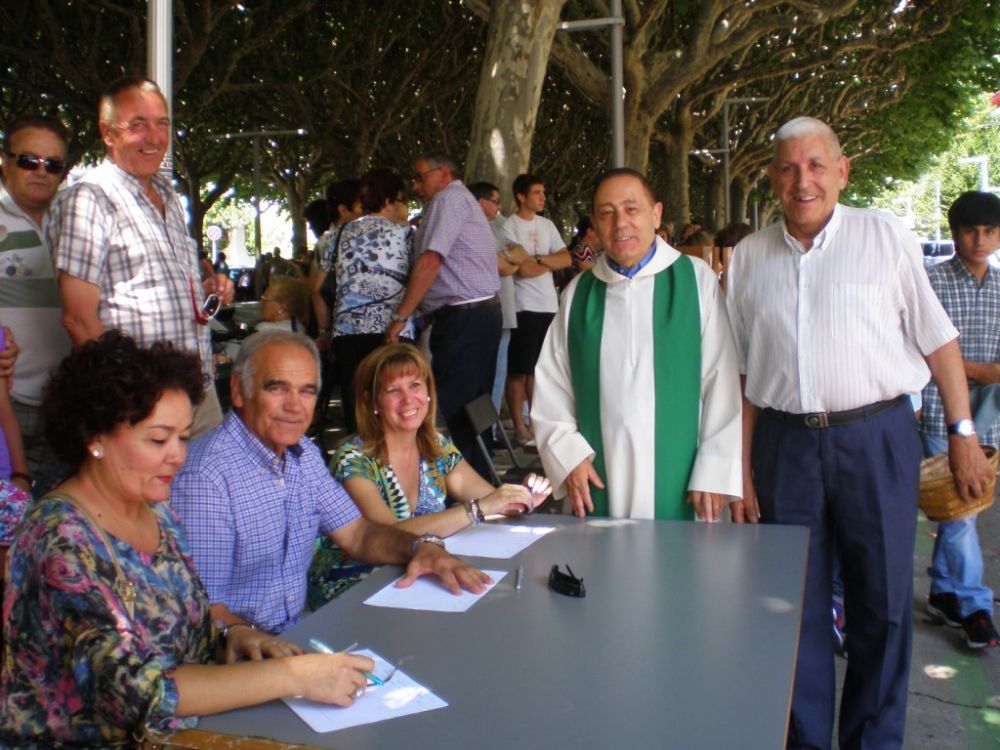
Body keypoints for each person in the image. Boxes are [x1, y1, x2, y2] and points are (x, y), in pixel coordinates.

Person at [726, 116, 992, 750]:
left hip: (878, 438)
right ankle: (808, 740)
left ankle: (874, 741)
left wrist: (961, 432)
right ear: (771, 178)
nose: (803, 180)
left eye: (816, 165)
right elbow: (739, 376)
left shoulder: (884, 235)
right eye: (789, 168)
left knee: (885, 606)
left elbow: (938, 339)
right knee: (792, 611)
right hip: (784, 447)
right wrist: (738, 470)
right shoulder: (748, 258)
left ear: (842, 171)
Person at [0, 332, 376, 748]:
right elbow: (137, 695)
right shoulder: (60, 537)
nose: (178, 455)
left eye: (182, 437)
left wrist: (234, 634)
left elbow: (192, 621)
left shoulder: (155, 509)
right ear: (94, 437)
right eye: (158, 439)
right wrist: (294, 676)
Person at [170, 329, 491, 635]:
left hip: (301, 628)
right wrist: (260, 646)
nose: (295, 406)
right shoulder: (206, 478)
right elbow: (204, 609)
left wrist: (422, 547)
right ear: (239, 391)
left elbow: (359, 534)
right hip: (244, 655)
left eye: (307, 391)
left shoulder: (303, 455)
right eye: (277, 388)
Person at [531, 168, 742, 521]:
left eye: (632, 209)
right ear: (595, 225)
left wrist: (715, 469)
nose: (620, 224)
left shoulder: (694, 281)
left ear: (656, 214)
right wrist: (568, 456)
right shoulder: (579, 295)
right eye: (606, 213)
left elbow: (721, 379)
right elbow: (552, 386)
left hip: (684, 479)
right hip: (600, 475)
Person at [308, 343, 549, 605]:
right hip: (356, 582)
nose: (408, 399)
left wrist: (523, 498)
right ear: (371, 401)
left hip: (422, 572)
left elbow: (492, 500)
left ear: (429, 393)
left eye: (415, 385)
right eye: (393, 391)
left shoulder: (435, 445)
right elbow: (389, 536)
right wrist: (476, 510)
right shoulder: (353, 460)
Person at [50, 77, 222, 438]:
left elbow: (157, 288)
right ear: (108, 132)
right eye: (138, 125)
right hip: (142, 403)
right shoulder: (91, 197)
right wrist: (130, 399)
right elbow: (78, 319)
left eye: (162, 123)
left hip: (199, 393)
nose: (155, 137)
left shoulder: (168, 195)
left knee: (203, 496)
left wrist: (208, 291)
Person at [385, 152, 501, 481]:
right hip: (479, 314)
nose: (415, 185)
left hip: (466, 317)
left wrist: (401, 315)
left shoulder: (448, 201)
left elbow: (431, 261)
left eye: (420, 177)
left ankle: (471, 487)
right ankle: (482, 481)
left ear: (444, 174)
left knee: (452, 407)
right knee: (470, 408)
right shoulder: (457, 200)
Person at [919, 191, 1000, 649]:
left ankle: (943, 592)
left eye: (989, 230)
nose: (980, 239)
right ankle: (974, 605)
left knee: (958, 512)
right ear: (954, 234)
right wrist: (981, 371)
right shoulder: (933, 282)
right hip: (938, 414)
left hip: (988, 419)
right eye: (971, 230)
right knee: (962, 511)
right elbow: (924, 351)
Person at [0, 115, 73, 493]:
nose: (41, 171)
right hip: (7, 406)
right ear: (4, 161)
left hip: (66, 401)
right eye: (29, 160)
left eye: (53, 164)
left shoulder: (74, 220)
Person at [332, 168, 414, 433]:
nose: (406, 207)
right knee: (396, 405)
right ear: (389, 201)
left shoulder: (338, 234)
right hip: (391, 329)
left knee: (358, 406)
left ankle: (359, 466)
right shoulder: (406, 235)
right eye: (403, 200)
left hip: (346, 331)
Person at [503, 174, 571, 447]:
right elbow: (524, 270)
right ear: (521, 196)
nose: (543, 197)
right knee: (519, 370)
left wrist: (538, 259)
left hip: (548, 305)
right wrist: (545, 262)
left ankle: (535, 423)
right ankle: (519, 427)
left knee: (539, 369)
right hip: (523, 306)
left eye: (543, 192)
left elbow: (566, 259)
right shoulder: (509, 227)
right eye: (537, 192)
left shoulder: (547, 225)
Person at [468, 181, 528, 422]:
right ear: (481, 202)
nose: (499, 206)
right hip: (480, 312)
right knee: (479, 376)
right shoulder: (471, 227)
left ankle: (490, 430)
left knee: (498, 374)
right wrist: (507, 259)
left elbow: (521, 254)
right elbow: (502, 268)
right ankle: (481, 432)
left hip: (504, 311)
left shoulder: (500, 223)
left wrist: (506, 258)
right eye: (495, 201)